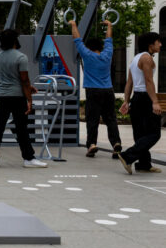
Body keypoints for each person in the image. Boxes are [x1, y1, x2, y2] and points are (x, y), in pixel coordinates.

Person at [0, 29, 47, 168]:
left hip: (2, 96)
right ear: (15, 40)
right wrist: (29, 99)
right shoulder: (21, 57)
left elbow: (11, 78)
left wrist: (28, 87)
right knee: (21, 128)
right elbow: (24, 80)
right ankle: (28, 158)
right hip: (17, 97)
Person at [69, 19, 122, 158]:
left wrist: (74, 24)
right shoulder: (107, 54)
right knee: (111, 119)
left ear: (89, 47)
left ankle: (92, 144)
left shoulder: (87, 55)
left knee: (92, 119)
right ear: (100, 46)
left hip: (93, 91)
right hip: (108, 90)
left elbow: (77, 39)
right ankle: (116, 143)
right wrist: (109, 25)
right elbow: (109, 39)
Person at [118, 32, 164, 174]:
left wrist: (127, 101)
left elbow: (129, 82)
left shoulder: (135, 59)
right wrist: (155, 102)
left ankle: (144, 164)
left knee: (140, 133)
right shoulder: (146, 58)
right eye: (158, 42)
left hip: (137, 98)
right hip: (145, 98)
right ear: (151, 44)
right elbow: (149, 81)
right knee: (154, 133)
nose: (160, 44)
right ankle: (127, 156)